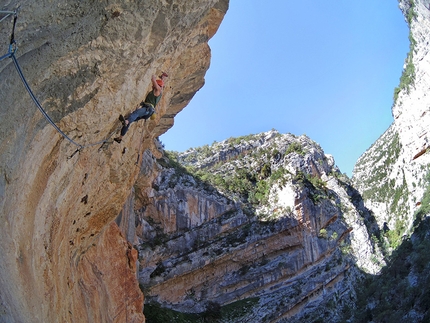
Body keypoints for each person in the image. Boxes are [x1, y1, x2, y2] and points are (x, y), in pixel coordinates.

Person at [114, 72, 168, 143]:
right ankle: (120, 138)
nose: (152, 86)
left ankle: (126, 121)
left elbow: (155, 83)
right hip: (147, 111)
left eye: (154, 85)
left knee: (135, 113)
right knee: (130, 118)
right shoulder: (157, 91)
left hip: (147, 109)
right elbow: (161, 85)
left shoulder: (158, 91)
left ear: (157, 85)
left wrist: (153, 77)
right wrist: (162, 78)